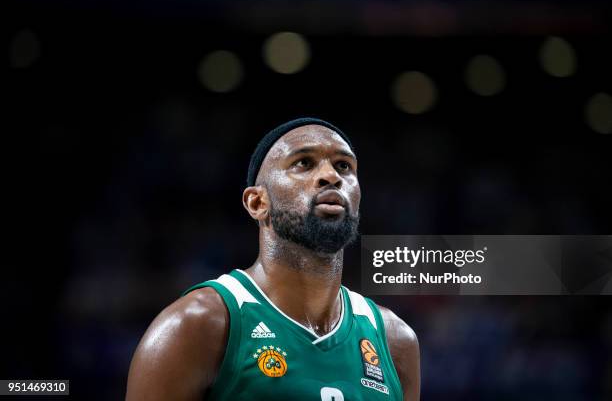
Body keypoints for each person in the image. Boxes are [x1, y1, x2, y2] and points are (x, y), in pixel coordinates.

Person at [126, 117, 420, 400]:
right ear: (257, 202)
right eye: (303, 163)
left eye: (344, 166)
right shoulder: (197, 326)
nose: (331, 176)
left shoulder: (395, 342)